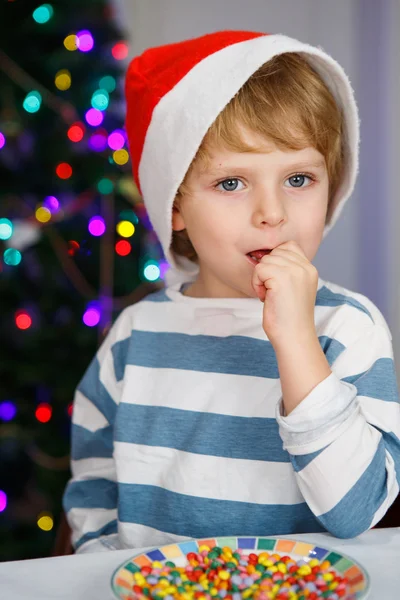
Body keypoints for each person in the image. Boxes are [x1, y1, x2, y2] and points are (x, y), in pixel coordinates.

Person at [63, 29, 400, 554]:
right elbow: (95, 480)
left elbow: (356, 511)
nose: (272, 212)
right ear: (174, 206)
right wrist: (101, 564)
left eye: (298, 179)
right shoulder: (135, 336)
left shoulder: (347, 328)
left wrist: (297, 341)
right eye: (231, 183)